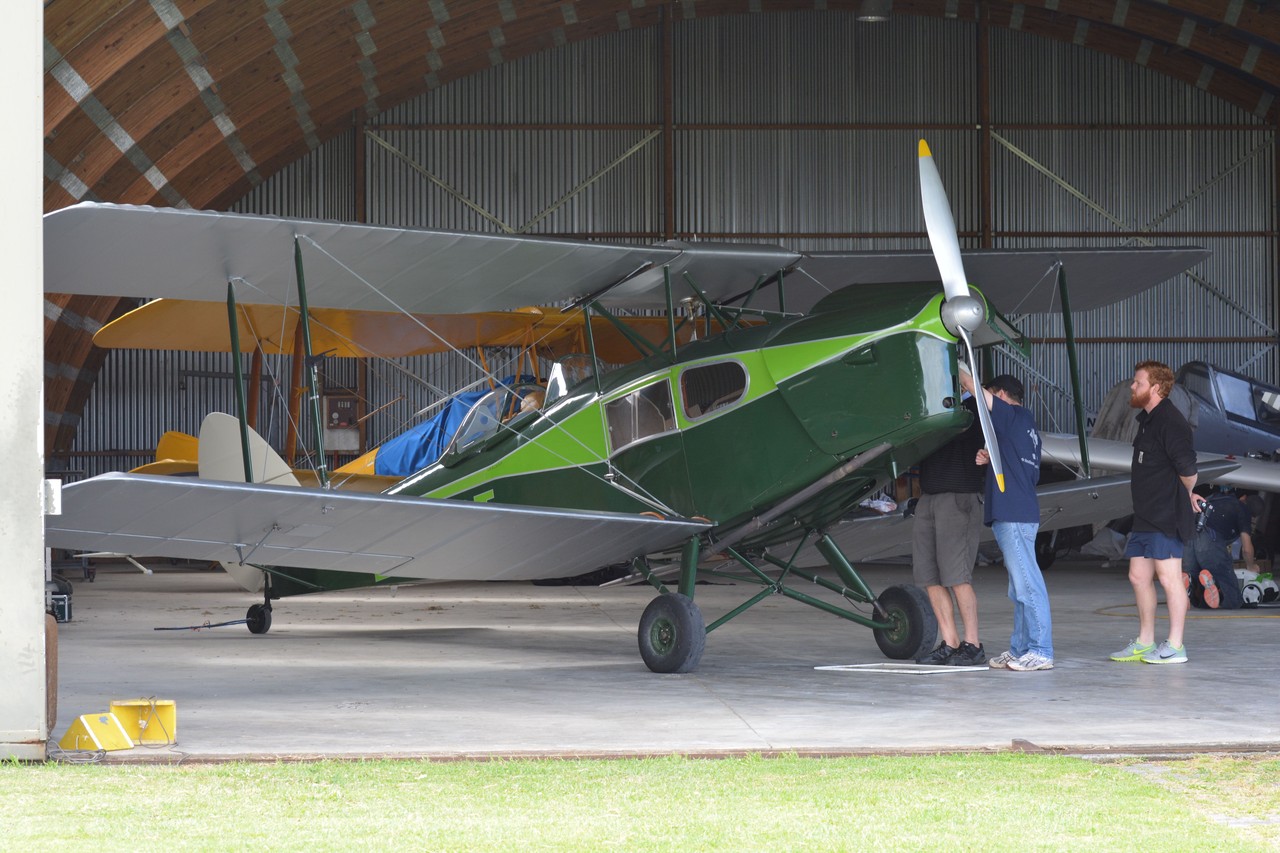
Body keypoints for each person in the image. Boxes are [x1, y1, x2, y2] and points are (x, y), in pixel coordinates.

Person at [960, 367, 1054, 672]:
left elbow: (969, 383)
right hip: (1022, 511)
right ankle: (1020, 648)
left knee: (1027, 584)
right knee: (1019, 586)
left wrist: (951, 352)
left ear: (1000, 396)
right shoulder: (1027, 427)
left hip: (1012, 514)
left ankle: (1040, 649)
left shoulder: (1010, 416)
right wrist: (992, 456)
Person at [1110, 360, 1199, 665]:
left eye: (1138, 383)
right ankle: (1145, 642)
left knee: (1169, 577)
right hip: (1146, 514)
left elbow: (1188, 468)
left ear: (1156, 388)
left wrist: (1187, 492)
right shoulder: (1148, 419)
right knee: (1138, 576)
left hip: (1166, 514)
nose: (1132, 387)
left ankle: (1175, 645)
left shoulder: (1171, 422)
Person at [912, 394, 987, 666]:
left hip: (959, 495)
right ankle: (950, 642)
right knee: (929, 577)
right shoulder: (928, 405)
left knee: (957, 577)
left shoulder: (973, 408)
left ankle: (973, 644)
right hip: (929, 495)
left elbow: (955, 432)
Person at [1184, 487, 1259, 610]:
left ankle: (1189, 583)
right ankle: (1213, 580)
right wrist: (1251, 566)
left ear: (1244, 497)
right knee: (1230, 591)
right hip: (1209, 538)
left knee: (1196, 578)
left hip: (1188, 534)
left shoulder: (1216, 498)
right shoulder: (1243, 510)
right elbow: (1246, 548)